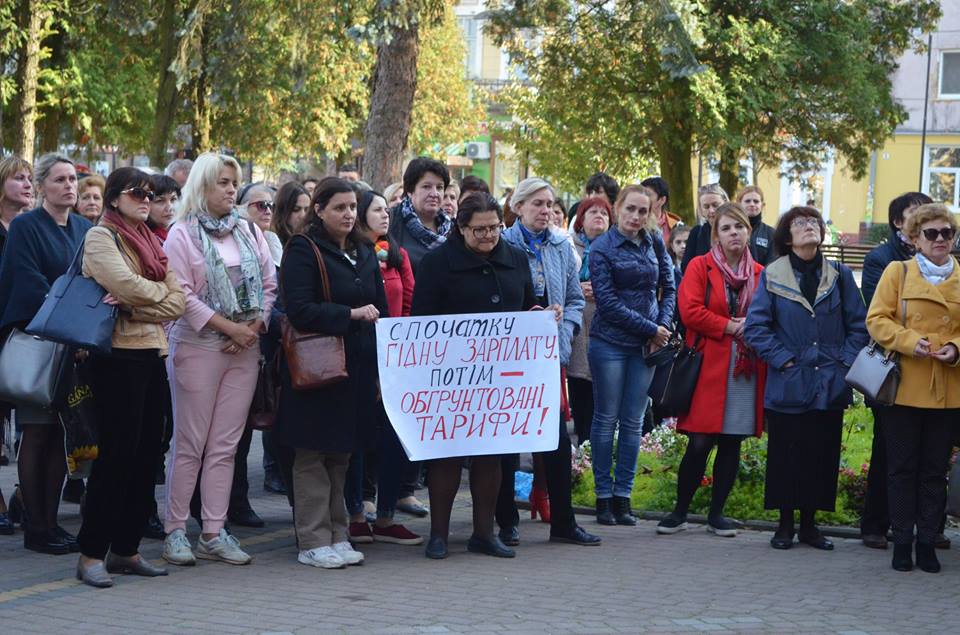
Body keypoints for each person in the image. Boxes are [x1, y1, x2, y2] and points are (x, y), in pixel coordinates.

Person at [161, 152, 276, 567]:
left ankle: (214, 529)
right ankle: (175, 530)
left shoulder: (248, 231)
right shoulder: (182, 234)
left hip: (244, 348)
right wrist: (229, 329)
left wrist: (253, 327)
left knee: (226, 446)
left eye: (234, 183)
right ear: (202, 186)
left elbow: (269, 284)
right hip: (198, 345)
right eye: (223, 183)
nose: (232, 190)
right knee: (189, 444)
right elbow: (182, 295)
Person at [74, 167, 186, 588]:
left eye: (150, 194)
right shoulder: (101, 237)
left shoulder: (153, 242)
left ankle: (126, 548)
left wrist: (136, 305)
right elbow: (124, 283)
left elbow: (175, 300)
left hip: (151, 352)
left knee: (146, 456)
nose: (146, 199)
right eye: (136, 193)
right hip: (117, 357)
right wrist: (144, 298)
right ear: (114, 198)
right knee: (117, 456)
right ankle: (91, 553)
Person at [411, 193, 535, 560]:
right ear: (461, 228)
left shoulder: (516, 258)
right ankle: (439, 535)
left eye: (495, 228)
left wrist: (544, 316)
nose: (488, 236)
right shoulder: (437, 263)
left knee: (490, 457)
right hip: (451, 378)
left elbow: (528, 304)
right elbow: (422, 321)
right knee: (446, 456)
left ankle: (484, 533)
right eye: (479, 230)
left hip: (500, 377)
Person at [276, 178, 386, 569]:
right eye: (339, 207)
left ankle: (338, 534)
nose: (348, 214)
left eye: (352, 207)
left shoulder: (364, 250)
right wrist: (349, 315)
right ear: (318, 210)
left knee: (341, 454)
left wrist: (378, 370)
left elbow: (381, 310)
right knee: (311, 454)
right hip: (315, 368)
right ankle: (312, 538)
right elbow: (299, 309)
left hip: (355, 368)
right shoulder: (303, 249)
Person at [744, 206, 867, 551]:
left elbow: (858, 326)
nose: (809, 226)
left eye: (814, 222)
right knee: (786, 453)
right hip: (789, 379)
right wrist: (783, 361)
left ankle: (811, 527)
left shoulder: (839, 275)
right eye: (800, 223)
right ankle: (784, 526)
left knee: (821, 453)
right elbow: (756, 327)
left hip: (829, 379)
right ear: (787, 236)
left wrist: (843, 364)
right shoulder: (773, 275)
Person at [499, 178, 601, 548]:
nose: (546, 210)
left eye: (550, 203)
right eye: (538, 204)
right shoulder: (502, 243)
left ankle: (564, 521)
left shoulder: (560, 246)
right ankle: (506, 519)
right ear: (519, 206)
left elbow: (575, 298)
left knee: (555, 440)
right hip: (509, 357)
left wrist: (565, 325)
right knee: (508, 441)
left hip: (548, 355)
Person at [0, 153, 92, 554]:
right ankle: (36, 527)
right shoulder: (25, 227)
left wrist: (84, 331)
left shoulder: (86, 228)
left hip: (77, 347)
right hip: (41, 344)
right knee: (37, 432)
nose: (69, 186)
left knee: (61, 437)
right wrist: (69, 324)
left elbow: (92, 280)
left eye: (73, 178)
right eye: (59, 180)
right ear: (41, 187)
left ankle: (52, 523)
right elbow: (29, 284)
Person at [656, 203, 766, 537]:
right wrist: (732, 327)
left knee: (732, 442)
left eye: (740, 227)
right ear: (715, 235)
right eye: (727, 228)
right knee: (700, 442)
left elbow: (766, 314)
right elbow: (690, 312)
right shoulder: (699, 267)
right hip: (707, 365)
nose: (734, 233)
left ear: (749, 231)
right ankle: (679, 512)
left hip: (745, 367)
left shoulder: (761, 273)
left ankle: (717, 514)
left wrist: (752, 326)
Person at [866, 203, 960, 573]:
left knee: (935, 470)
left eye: (947, 233)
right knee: (901, 468)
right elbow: (876, 319)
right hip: (903, 385)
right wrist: (908, 341)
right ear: (914, 239)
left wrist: (956, 348)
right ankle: (901, 541)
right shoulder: (898, 272)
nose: (940, 240)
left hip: (947, 387)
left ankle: (928, 543)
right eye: (932, 233)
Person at [588, 184, 675, 525]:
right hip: (610, 342)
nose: (636, 217)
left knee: (634, 421)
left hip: (647, 345)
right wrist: (650, 329)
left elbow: (670, 285)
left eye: (644, 211)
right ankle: (602, 497)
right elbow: (607, 304)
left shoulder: (654, 241)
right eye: (631, 209)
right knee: (606, 418)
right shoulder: (601, 248)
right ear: (617, 208)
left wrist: (662, 326)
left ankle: (623, 497)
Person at [343, 189, 423, 546]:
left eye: (385, 210)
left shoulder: (397, 254)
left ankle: (388, 515)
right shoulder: (355, 255)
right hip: (358, 356)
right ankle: (358, 513)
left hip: (393, 356)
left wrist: (396, 352)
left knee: (395, 437)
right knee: (359, 439)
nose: (385, 215)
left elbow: (406, 301)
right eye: (376, 210)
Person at [859, 191, 937, 551]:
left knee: (932, 454)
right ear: (898, 222)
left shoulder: (942, 258)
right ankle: (876, 523)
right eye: (915, 213)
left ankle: (926, 527)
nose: (926, 219)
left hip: (937, 369)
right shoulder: (882, 259)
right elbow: (880, 312)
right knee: (889, 451)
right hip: (894, 369)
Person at [568, 195, 612, 447]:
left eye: (604, 213)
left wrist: (602, 289)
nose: (599, 216)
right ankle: (582, 448)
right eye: (592, 212)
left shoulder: (616, 247)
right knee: (579, 387)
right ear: (580, 220)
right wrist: (577, 287)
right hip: (577, 328)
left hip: (605, 326)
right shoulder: (568, 246)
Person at [388, 157, 451, 273]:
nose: (434, 194)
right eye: (426, 186)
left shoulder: (453, 228)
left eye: (439, 187)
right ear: (410, 191)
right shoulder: (390, 222)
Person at [681, 184, 729, 273]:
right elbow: (686, 268)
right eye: (706, 207)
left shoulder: (737, 229)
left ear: (725, 203)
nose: (711, 210)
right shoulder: (696, 233)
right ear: (701, 209)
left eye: (715, 205)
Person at [736, 186, 777, 266]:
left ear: (762, 205)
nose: (752, 204)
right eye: (747, 201)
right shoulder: (732, 230)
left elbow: (772, 264)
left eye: (756, 201)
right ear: (739, 204)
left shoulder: (771, 233)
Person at [641, 176, 680, 243]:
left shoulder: (676, 225)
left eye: (648, 195)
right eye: (641, 194)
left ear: (662, 200)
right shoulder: (634, 221)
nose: (643, 198)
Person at [273, 181, 311, 249]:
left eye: (306, 210)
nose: (303, 215)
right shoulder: (272, 242)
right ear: (282, 210)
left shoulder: (313, 240)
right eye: (296, 209)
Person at [146, 174, 180, 243]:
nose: (169, 207)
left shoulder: (185, 232)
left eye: (173, 199)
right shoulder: (144, 239)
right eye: (160, 201)